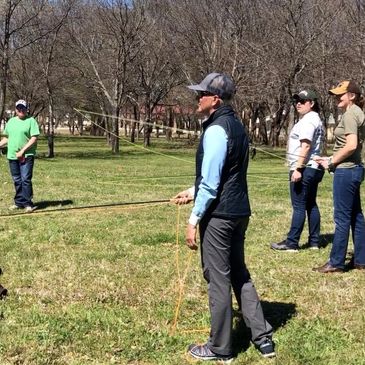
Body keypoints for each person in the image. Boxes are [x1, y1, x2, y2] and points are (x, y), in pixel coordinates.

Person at [172, 73, 274, 362]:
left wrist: (193, 219)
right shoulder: (237, 127)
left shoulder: (216, 129)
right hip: (239, 211)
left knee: (218, 279)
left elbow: (212, 183)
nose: (197, 99)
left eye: (201, 94)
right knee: (239, 273)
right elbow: (223, 174)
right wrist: (192, 192)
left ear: (215, 100)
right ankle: (263, 338)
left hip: (220, 216)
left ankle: (220, 348)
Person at [313, 80, 365, 273]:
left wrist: (333, 161)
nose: (336, 98)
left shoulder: (351, 114)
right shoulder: (357, 113)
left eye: (340, 94)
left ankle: (336, 263)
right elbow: (352, 147)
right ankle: (361, 260)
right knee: (356, 216)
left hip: (346, 171)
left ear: (351, 95)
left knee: (342, 218)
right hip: (354, 168)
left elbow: (351, 145)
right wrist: (330, 158)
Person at [271, 90, 325, 252]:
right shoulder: (316, 120)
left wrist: (298, 169)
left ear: (312, 103)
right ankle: (314, 242)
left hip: (305, 168)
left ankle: (292, 243)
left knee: (299, 205)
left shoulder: (308, 121)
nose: (298, 104)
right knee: (310, 204)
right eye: (297, 101)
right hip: (315, 168)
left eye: (303, 101)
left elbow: (306, 145)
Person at [0, 100, 40, 212]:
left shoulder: (31, 121)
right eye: (19, 108)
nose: (21, 110)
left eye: (23, 108)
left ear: (26, 109)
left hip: (26, 155)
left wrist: (22, 151)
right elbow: (7, 137)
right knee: (17, 180)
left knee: (25, 179)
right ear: (16, 109)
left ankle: (28, 203)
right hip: (12, 155)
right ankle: (18, 202)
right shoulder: (11, 121)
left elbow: (34, 138)